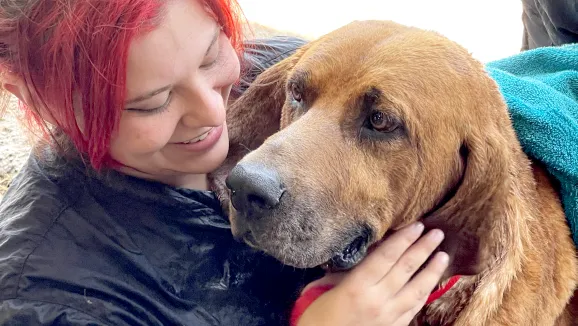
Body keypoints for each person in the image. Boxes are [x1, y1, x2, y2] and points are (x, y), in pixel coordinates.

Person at [0, 0, 448, 325]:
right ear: (29, 94)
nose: (214, 114)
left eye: (213, 53)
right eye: (152, 103)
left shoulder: (288, 80)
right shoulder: (48, 299)